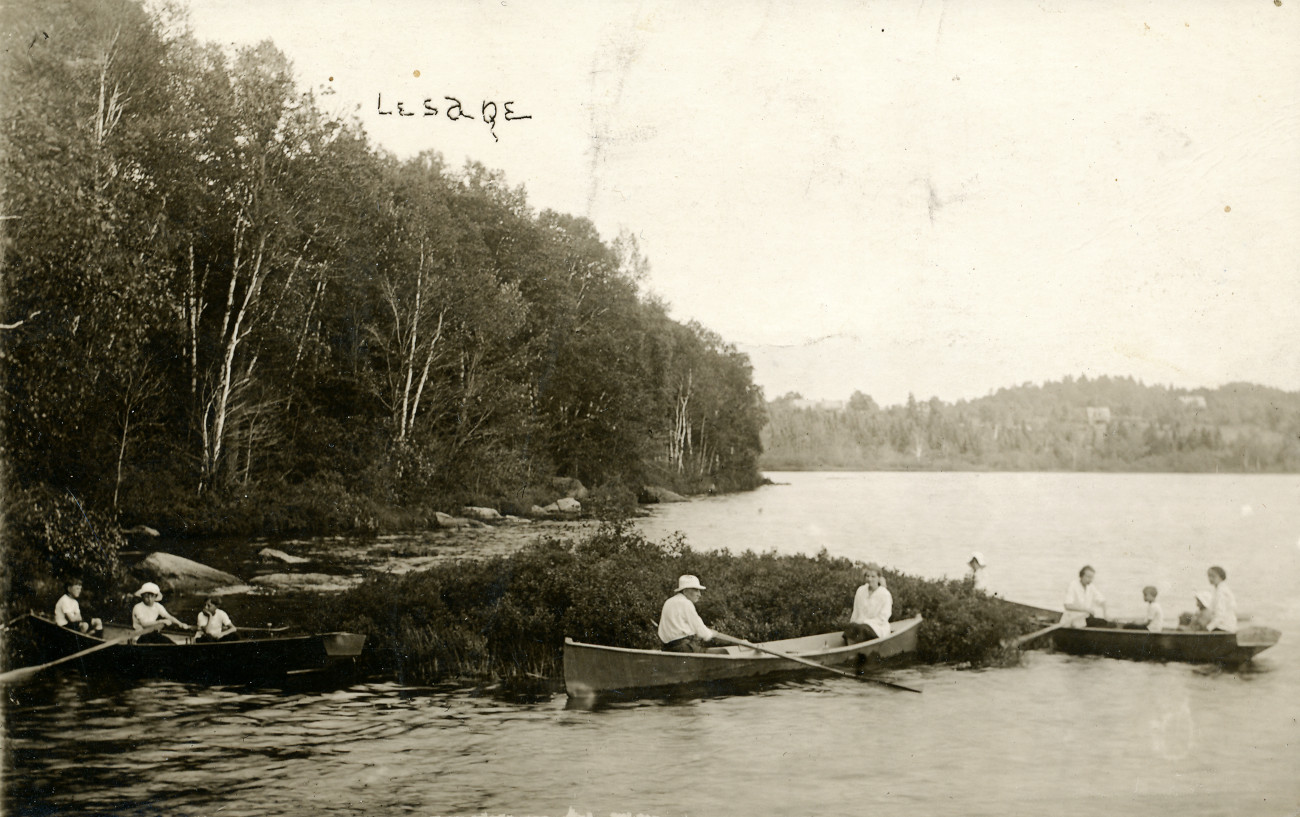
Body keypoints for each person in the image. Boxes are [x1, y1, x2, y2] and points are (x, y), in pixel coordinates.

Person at [658, 575, 717, 653]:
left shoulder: (668, 601)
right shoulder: (686, 603)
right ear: (685, 591)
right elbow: (700, 629)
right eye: (696, 590)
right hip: (684, 648)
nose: (699, 595)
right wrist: (711, 634)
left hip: (666, 648)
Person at [845, 564, 892, 644]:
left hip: (878, 627)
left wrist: (864, 622)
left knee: (863, 629)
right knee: (850, 628)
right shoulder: (861, 590)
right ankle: (850, 649)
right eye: (867, 576)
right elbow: (856, 611)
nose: (870, 579)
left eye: (873, 576)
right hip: (860, 625)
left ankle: (855, 650)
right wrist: (853, 623)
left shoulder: (885, 594)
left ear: (879, 578)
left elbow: (883, 618)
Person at [1204, 565, 1237, 633]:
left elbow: (1220, 614)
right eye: (1209, 576)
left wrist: (1209, 628)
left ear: (1220, 577)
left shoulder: (1221, 591)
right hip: (1222, 625)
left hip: (1224, 627)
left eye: (1213, 576)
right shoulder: (1218, 589)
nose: (1210, 579)